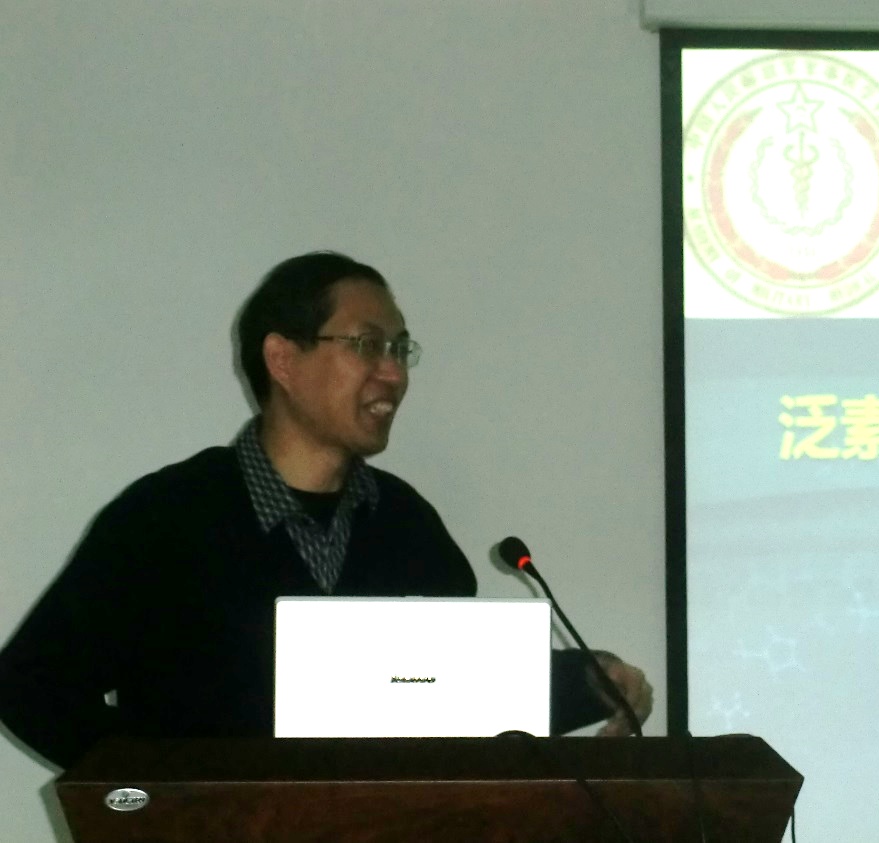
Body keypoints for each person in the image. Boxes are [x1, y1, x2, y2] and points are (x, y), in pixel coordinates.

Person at [0, 251, 652, 770]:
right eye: (367, 345)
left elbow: (448, 696)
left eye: (400, 349)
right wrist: (160, 793)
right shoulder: (164, 519)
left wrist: (588, 681)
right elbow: (29, 686)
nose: (393, 374)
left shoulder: (408, 525)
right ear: (283, 359)